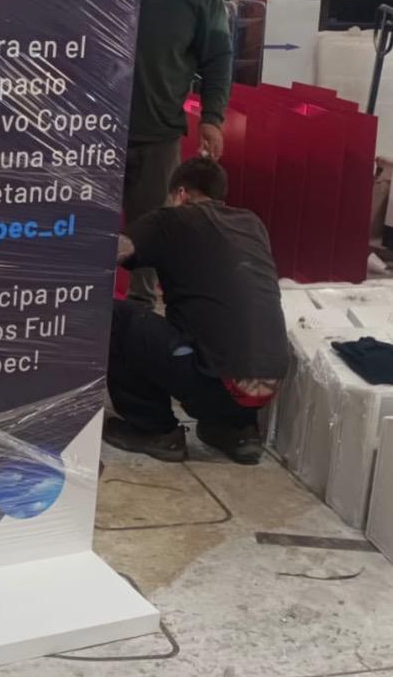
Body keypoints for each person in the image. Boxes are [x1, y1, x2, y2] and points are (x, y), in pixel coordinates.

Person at [106, 156, 288, 465]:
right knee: (220, 332)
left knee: (119, 317)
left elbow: (113, 250)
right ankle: (237, 431)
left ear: (180, 193)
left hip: (214, 384)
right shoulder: (252, 224)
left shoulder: (173, 219)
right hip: (265, 389)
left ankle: (154, 429)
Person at [126, 0, 233, 301]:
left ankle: (139, 313)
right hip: (95, 132)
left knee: (151, 234)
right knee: (84, 225)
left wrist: (212, 118)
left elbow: (218, 59)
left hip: (159, 138)